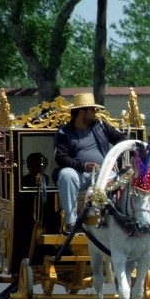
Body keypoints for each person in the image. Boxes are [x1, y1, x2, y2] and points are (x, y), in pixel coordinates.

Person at [54, 93, 127, 234]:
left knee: (118, 180)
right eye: (93, 109)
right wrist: (83, 166)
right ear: (82, 112)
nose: (96, 112)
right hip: (78, 174)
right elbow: (60, 157)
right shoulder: (64, 132)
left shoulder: (101, 126)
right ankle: (71, 223)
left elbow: (122, 139)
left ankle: (113, 221)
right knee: (66, 175)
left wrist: (113, 159)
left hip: (102, 173)